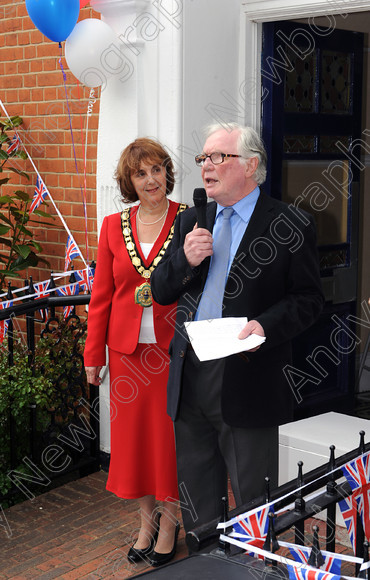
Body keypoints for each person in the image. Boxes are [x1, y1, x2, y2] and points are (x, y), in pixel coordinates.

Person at [151, 123, 324, 533]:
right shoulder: (191, 220)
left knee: (254, 504)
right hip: (191, 374)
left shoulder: (291, 223)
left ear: (250, 165)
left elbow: (309, 299)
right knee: (199, 508)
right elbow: (160, 291)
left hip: (249, 375)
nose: (206, 167)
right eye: (202, 158)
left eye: (217, 157)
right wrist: (183, 261)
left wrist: (264, 326)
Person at [84, 138, 187, 567]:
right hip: (126, 352)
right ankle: (145, 523)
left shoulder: (190, 218)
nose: (151, 180)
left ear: (167, 173)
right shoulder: (112, 225)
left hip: (172, 351)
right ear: (129, 181)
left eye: (157, 170)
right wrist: (94, 355)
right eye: (141, 173)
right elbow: (101, 295)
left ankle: (170, 522)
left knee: (167, 443)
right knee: (134, 445)